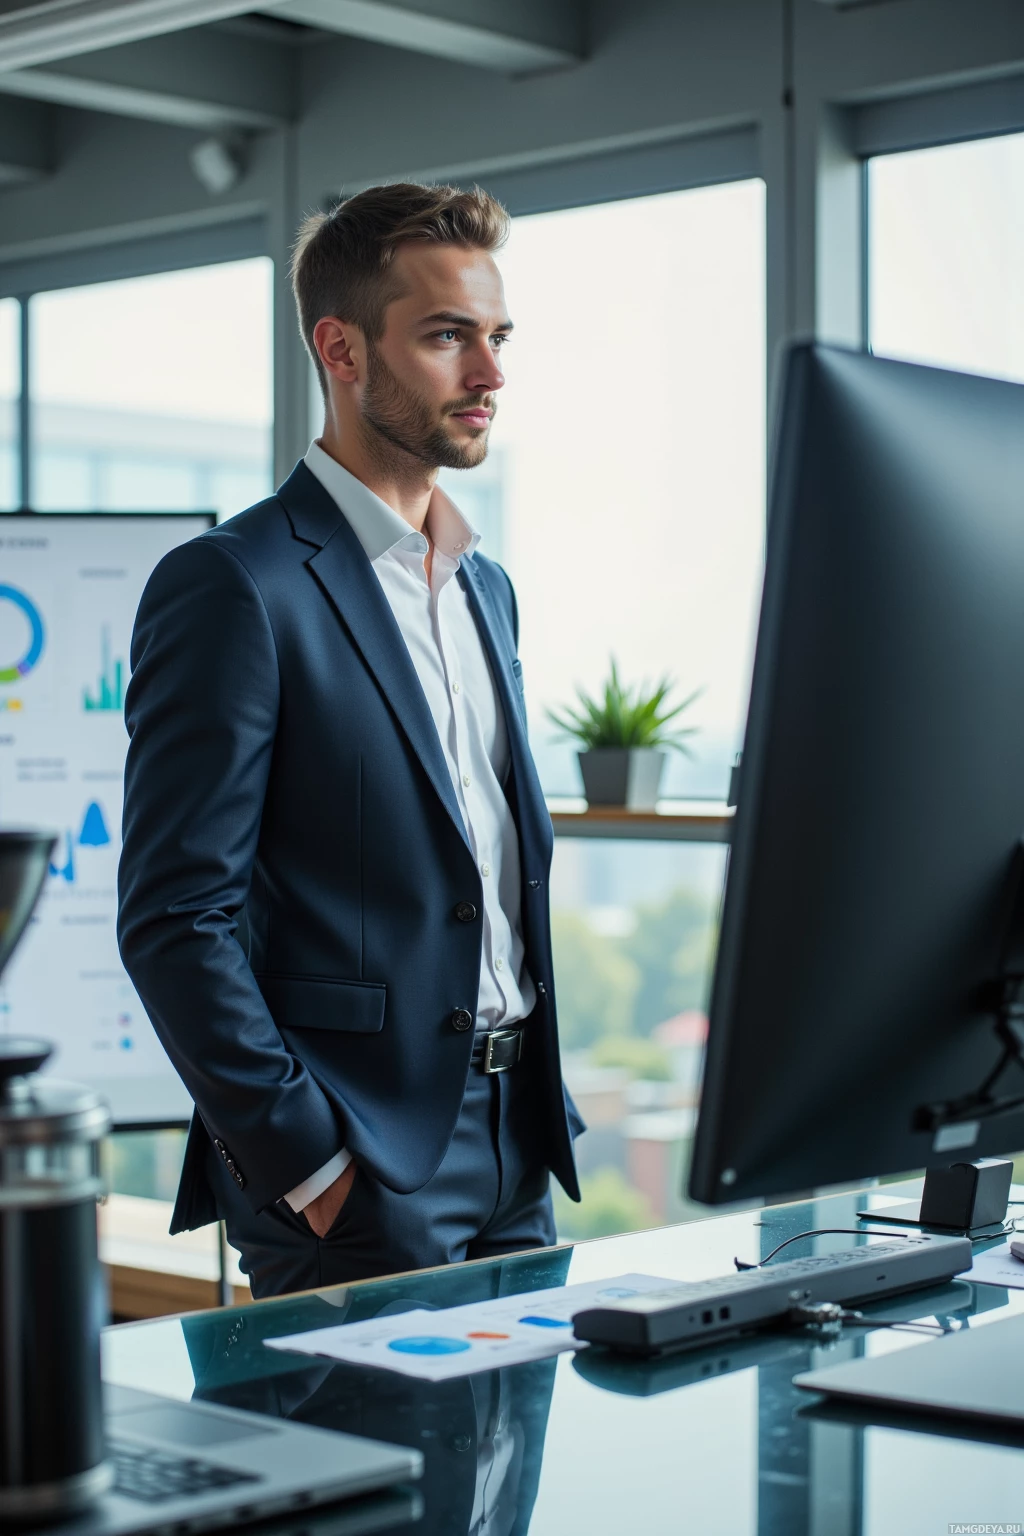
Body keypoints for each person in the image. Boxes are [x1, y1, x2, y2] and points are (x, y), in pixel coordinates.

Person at [117, 182, 585, 1299]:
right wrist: (307, 1159)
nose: (490, 376)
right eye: (445, 337)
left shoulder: (488, 590)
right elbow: (176, 915)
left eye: (496, 338)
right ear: (340, 347)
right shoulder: (235, 585)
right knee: (375, 1480)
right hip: (357, 1168)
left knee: (512, 1476)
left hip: (520, 1142)